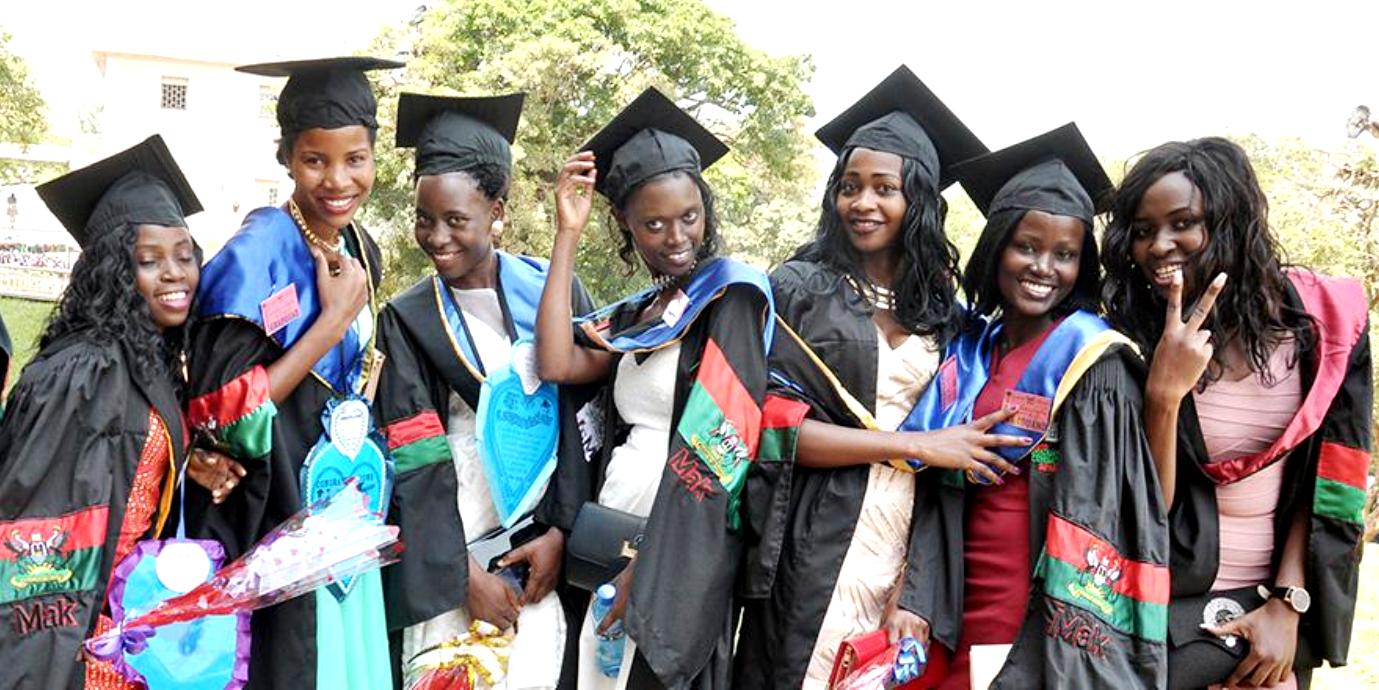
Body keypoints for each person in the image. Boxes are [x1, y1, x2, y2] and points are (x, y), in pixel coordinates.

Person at [733, 66, 1035, 689]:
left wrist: (919, 589)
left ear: (916, 200)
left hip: (901, 543)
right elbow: (772, 429)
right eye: (849, 186)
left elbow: (950, 476)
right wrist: (916, 446)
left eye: (883, 188)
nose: (862, 203)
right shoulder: (798, 291)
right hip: (806, 537)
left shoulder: (949, 320)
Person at [183, 56, 434, 690]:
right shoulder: (256, 253)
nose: (337, 180)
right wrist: (328, 324)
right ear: (287, 160)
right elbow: (223, 420)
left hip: (346, 508)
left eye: (356, 159)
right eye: (315, 160)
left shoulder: (361, 248)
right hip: (277, 520)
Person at [536, 87, 793, 689]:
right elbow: (555, 361)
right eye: (653, 223)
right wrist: (566, 234)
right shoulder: (644, 314)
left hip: (680, 542)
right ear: (626, 224)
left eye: (689, 217)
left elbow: (720, 446)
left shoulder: (731, 298)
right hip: (617, 527)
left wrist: (654, 565)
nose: (677, 236)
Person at [901, 124, 1169, 689]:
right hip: (950, 583)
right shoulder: (971, 347)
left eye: (1065, 255)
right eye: (1027, 246)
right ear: (997, 245)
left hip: (1031, 597)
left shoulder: (1095, 362)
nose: (1043, 267)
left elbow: (1112, 507)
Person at [1102, 137, 1371, 690]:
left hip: (1277, 600)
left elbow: (1328, 480)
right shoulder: (1130, 340)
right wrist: (1164, 396)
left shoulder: (1321, 326)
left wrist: (1289, 604)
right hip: (1169, 599)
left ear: (1229, 221)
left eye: (1183, 223)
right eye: (1144, 230)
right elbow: (1146, 510)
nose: (1159, 245)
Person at [377, 91, 597, 688]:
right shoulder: (408, 318)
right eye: (425, 219)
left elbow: (585, 423)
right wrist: (461, 574)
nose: (436, 236)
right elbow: (414, 456)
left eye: (456, 220)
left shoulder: (554, 292)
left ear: (497, 212)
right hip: (459, 544)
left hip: (538, 547)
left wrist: (562, 533)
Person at [0, 135, 210, 688]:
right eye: (149, 260)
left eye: (184, 255)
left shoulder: (146, 359)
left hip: (125, 633)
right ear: (116, 272)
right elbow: (36, 544)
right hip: (74, 647)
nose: (174, 273)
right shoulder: (82, 375)